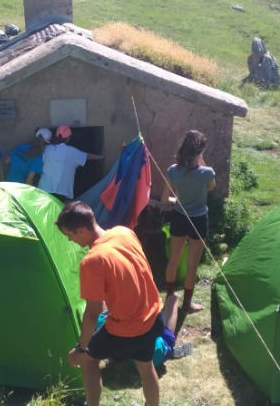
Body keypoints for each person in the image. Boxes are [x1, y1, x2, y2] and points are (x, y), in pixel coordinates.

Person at [56, 201, 164, 406]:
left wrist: (80, 347)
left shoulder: (92, 261)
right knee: (146, 366)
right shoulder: (124, 232)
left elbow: (92, 312)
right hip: (154, 316)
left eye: (69, 235)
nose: (70, 240)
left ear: (80, 231)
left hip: (128, 330)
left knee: (89, 360)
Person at [160, 130, 215, 314]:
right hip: (199, 220)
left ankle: (169, 298)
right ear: (200, 152)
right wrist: (201, 160)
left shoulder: (173, 171)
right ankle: (187, 304)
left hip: (179, 217)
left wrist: (179, 202)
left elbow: (165, 199)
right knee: (192, 264)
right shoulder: (207, 172)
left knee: (174, 260)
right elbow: (211, 187)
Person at [38, 125, 103, 202]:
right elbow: (87, 156)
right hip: (62, 192)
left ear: (55, 136)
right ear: (68, 139)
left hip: (44, 190)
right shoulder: (72, 152)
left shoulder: (46, 149)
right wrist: (100, 156)